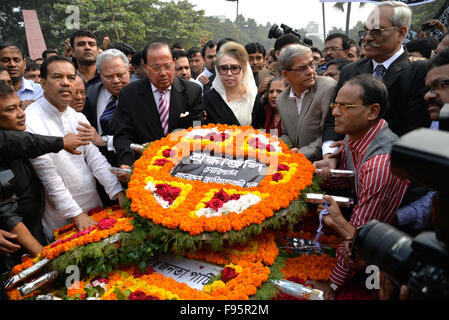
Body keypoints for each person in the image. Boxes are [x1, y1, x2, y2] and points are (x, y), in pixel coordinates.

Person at [309, 74, 410, 299]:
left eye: (345, 107)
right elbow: (351, 178)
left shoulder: (380, 164)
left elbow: (359, 236)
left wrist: (332, 286)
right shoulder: (355, 135)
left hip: (385, 259)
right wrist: (327, 172)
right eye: (335, 104)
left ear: (372, 111)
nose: (334, 112)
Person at [24, 55, 125, 242]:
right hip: (59, 215)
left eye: (70, 77)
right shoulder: (30, 120)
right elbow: (48, 176)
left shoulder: (77, 116)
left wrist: (118, 192)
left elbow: (96, 160)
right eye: (58, 77)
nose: (65, 83)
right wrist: (76, 214)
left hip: (94, 204)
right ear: (43, 84)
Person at [322, 1, 431, 160]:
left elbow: (415, 129)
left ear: (401, 33)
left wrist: (372, 156)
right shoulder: (349, 71)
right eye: (365, 31)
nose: (366, 38)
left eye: (377, 31)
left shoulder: (418, 71)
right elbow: (333, 120)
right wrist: (329, 154)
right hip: (348, 165)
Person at [0, 81, 89, 269]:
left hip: (36, 231)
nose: (21, 113)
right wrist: (44, 257)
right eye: (10, 109)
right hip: (15, 252)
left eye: (19, 105)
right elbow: (7, 214)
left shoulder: (18, 139)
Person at [110, 42, 203, 174]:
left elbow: (196, 130)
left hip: (184, 166)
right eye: (156, 68)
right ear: (146, 67)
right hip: (144, 167)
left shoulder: (192, 91)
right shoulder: (130, 94)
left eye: (167, 66)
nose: (163, 73)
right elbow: (123, 134)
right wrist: (127, 162)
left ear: (174, 62)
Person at [395, 48, 449, 232]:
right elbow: (434, 193)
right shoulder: (438, 125)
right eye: (429, 88)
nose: (428, 96)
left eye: (441, 85)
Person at [276, 44, 336, 162]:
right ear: (285, 75)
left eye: (311, 65)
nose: (310, 71)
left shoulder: (328, 88)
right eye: (302, 68)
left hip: (323, 164)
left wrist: (301, 154)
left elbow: (331, 132)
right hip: (294, 164)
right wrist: (272, 146)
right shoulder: (281, 100)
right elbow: (287, 135)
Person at [82, 49, 130, 169]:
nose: (116, 81)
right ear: (99, 75)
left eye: (120, 75)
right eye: (109, 76)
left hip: (134, 166)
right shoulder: (90, 93)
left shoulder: (143, 96)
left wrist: (104, 141)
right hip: (99, 166)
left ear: (129, 70)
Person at [203, 41, 264, 129]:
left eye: (234, 68)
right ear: (218, 70)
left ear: (243, 69)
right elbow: (201, 129)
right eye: (223, 68)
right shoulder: (209, 98)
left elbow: (260, 127)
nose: (229, 73)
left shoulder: (252, 95)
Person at [0, 41, 43, 108]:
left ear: (24, 63)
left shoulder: (41, 92)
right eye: (6, 60)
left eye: (16, 60)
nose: (12, 64)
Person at [257, 34, 301, 100]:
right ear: (277, 54)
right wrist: (259, 92)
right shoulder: (263, 74)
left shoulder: (305, 73)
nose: (294, 55)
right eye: (290, 52)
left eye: (297, 52)